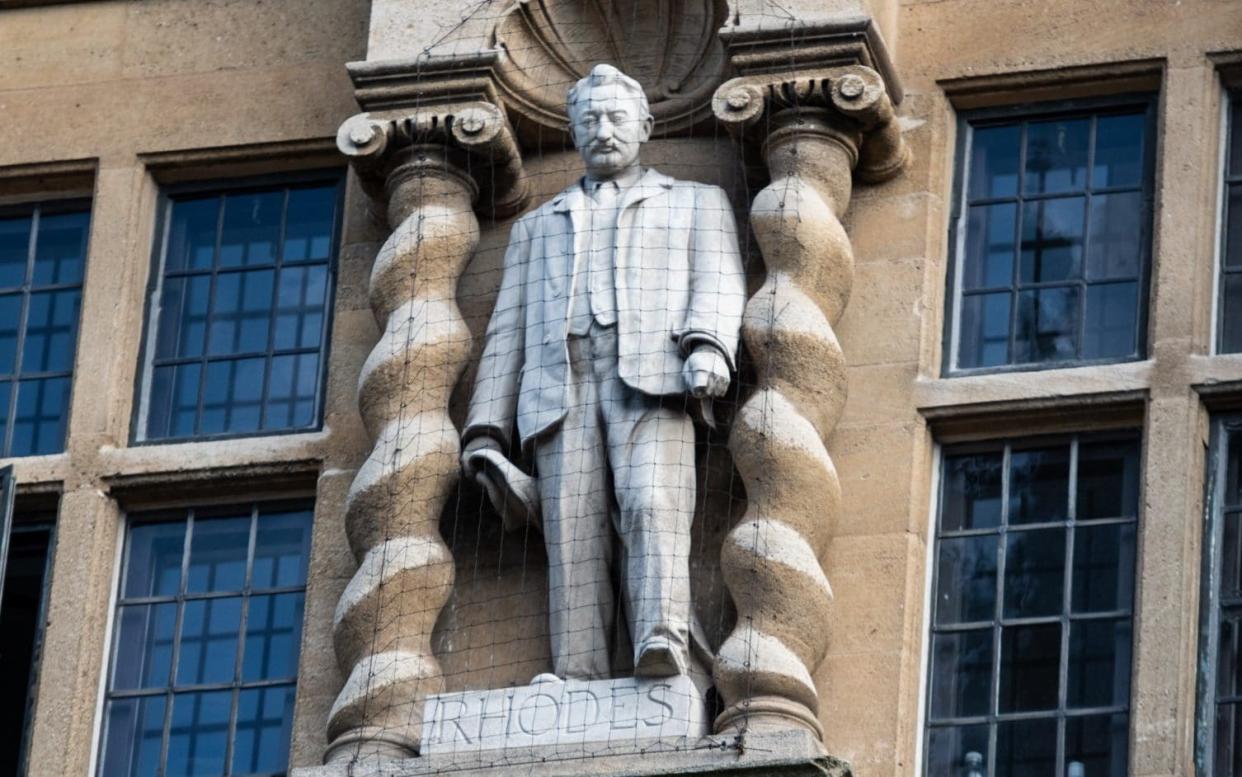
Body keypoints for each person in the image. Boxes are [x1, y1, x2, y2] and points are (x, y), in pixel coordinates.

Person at [461, 63, 746, 681]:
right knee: (573, 534)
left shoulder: (695, 202)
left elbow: (719, 278)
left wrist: (709, 347)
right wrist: (484, 431)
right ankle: (578, 671)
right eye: (589, 119)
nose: (604, 129)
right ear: (571, 129)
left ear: (644, 125)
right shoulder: (536, 227)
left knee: (650, 502)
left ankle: (663, 636)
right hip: (560, 387)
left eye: (617, 116)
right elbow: (506, 330)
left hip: (654, 380)